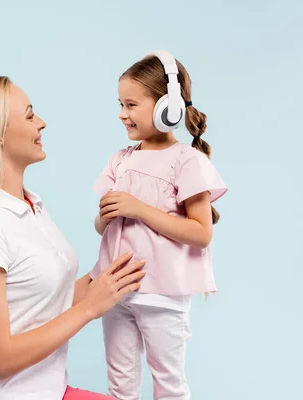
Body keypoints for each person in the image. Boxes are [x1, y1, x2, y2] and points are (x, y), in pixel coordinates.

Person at [0, 76, 146, 400]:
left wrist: (111, 273)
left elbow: (50, 301)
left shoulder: (32, 207)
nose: (42, 123)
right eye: (30, 115)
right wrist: (90, 308)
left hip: (50, 391)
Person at [90, 50, 228, 400]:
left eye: (132, 105)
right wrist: (103, 217)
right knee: (119, 385)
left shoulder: (186, 161)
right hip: (116, 290)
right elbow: (101, 226)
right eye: (120, 104)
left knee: (169, 385)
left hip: (163, 296)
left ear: (169, 107)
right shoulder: (120, 159)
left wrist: (139, 209)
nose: (123, 114)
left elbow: (201, 232)